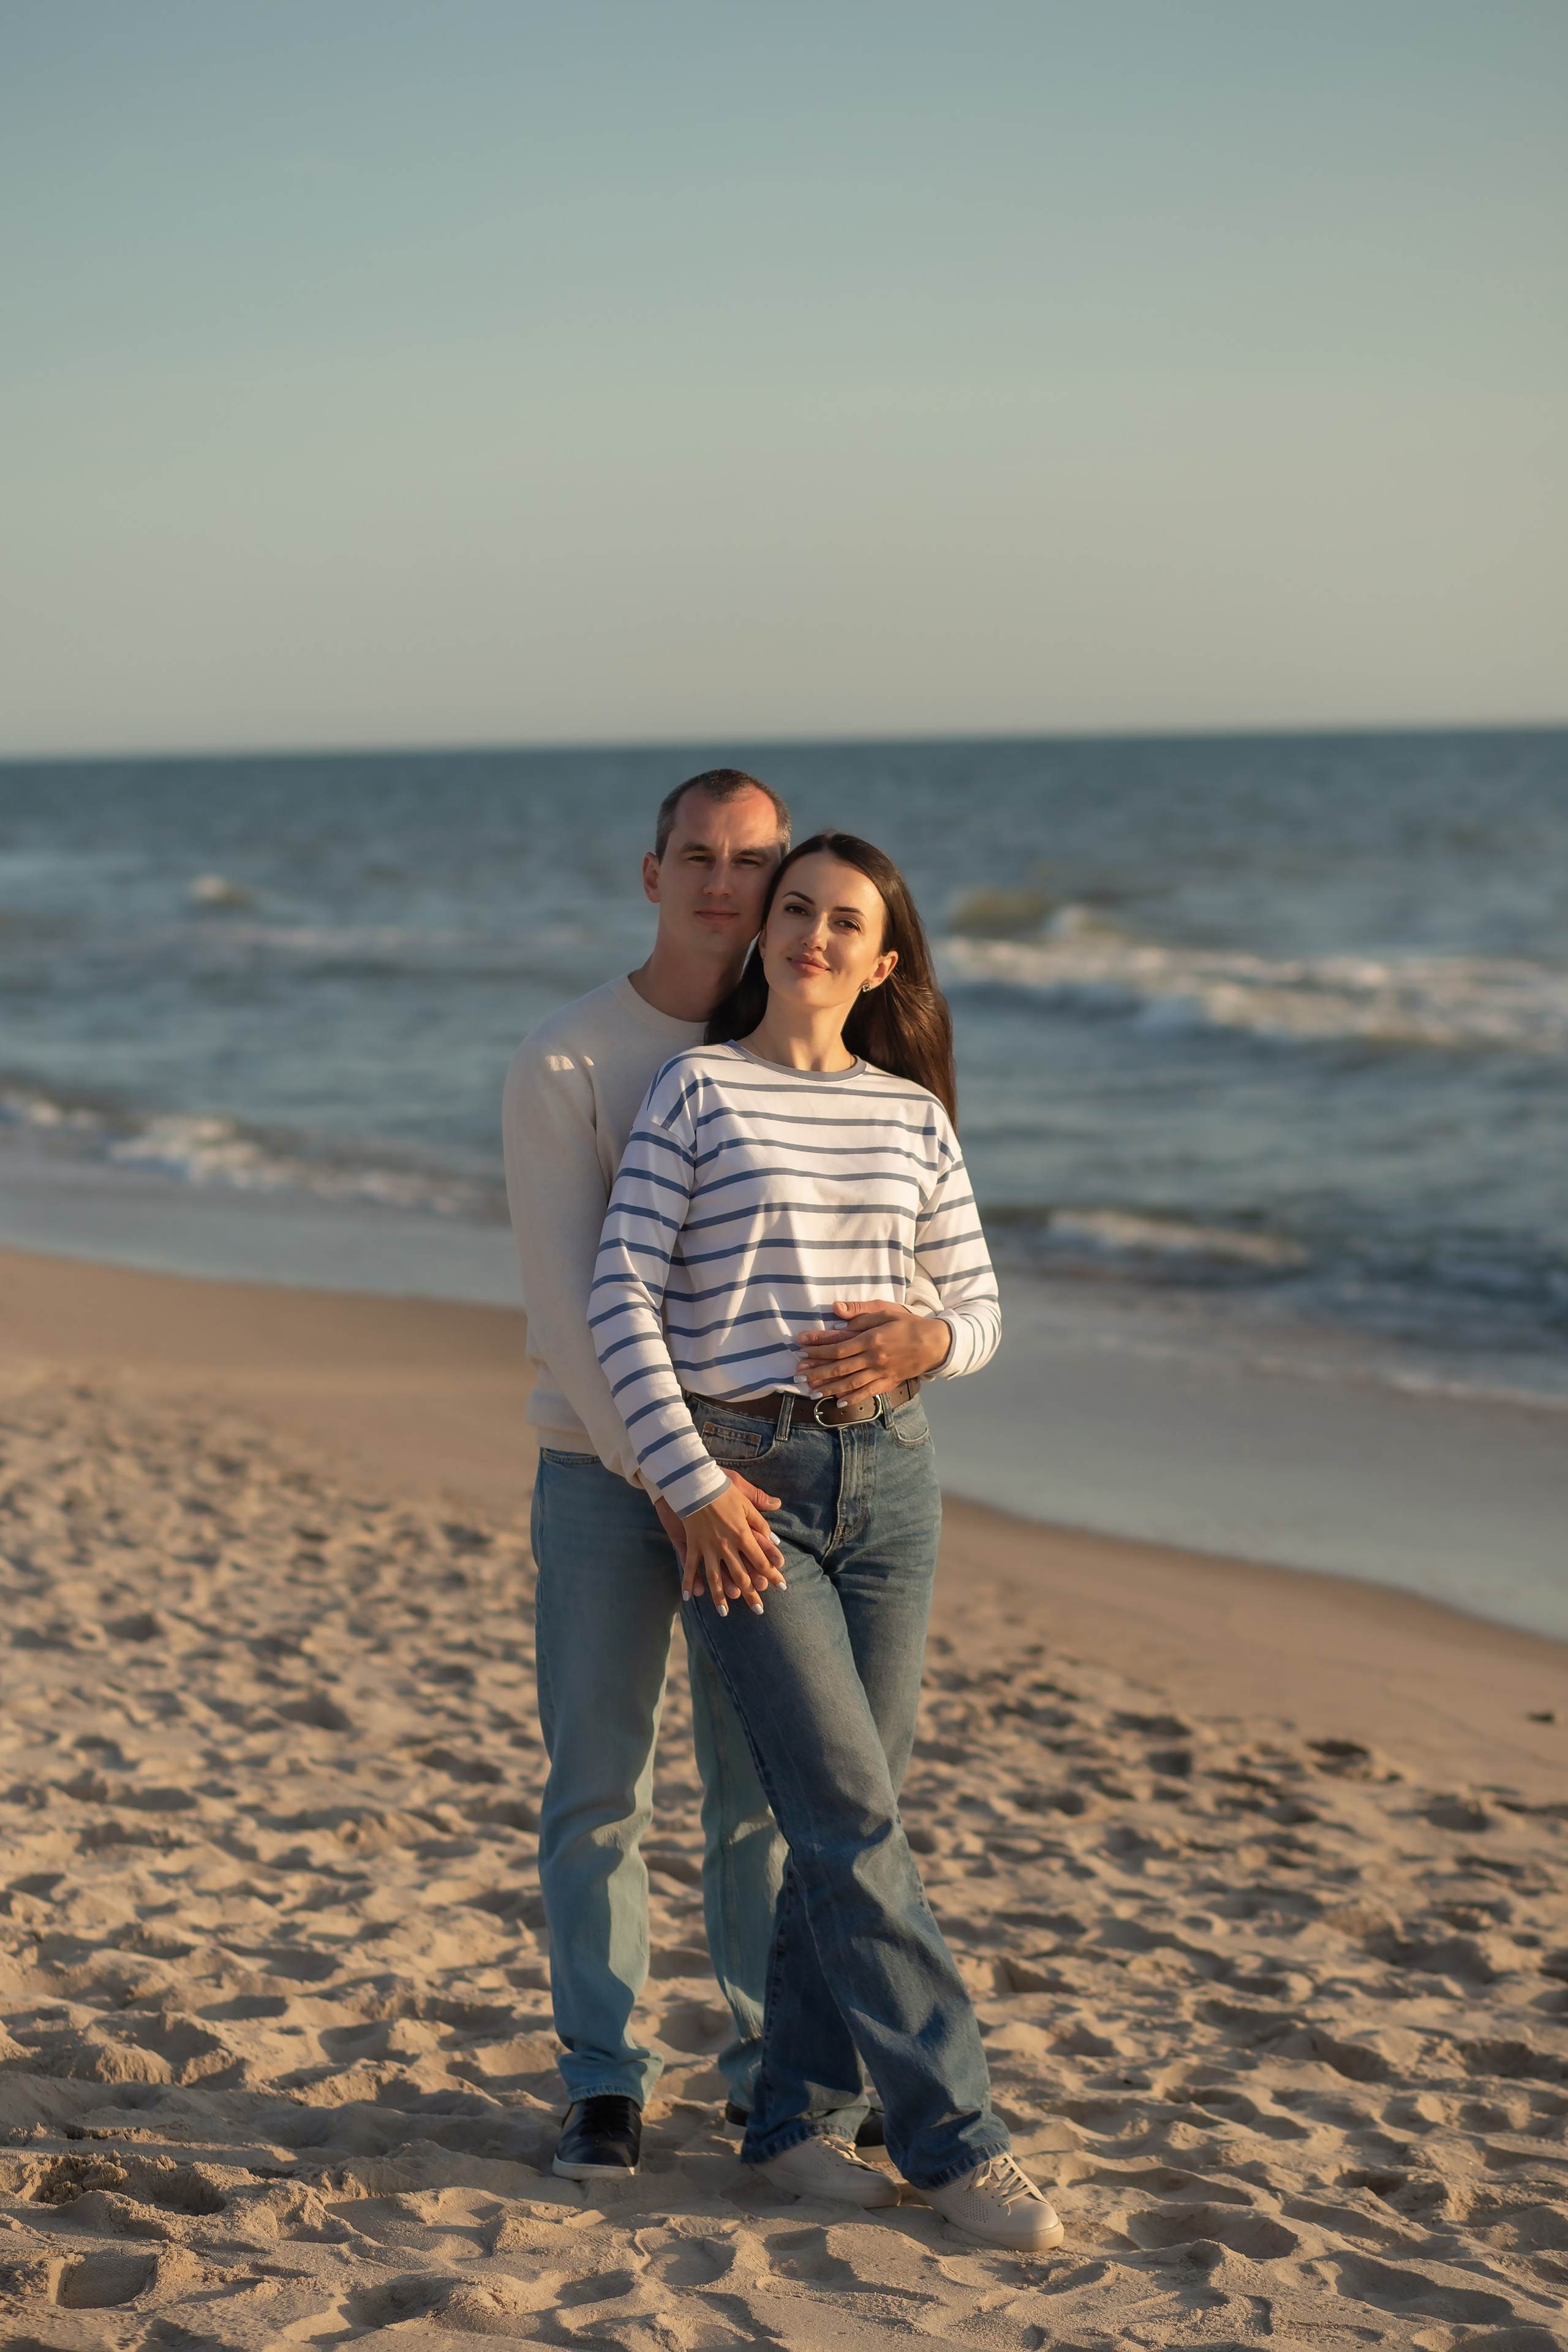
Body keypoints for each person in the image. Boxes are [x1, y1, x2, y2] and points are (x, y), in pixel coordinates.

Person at [590, 831, 1065, 2250]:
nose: (809, 932)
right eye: (792, 908)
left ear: (881, 960)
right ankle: (956, 2140)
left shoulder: (910, 1116)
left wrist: (929, 1340)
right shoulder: (697, 1089)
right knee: (851, 1816)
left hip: (892, 1484)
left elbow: (977, 1308)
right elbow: (620, 1295)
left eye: (841, 920)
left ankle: (793, 2119)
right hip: (746, 1489)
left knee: (847, 1817)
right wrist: (688, 1484)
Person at [502, 776, 952, 2183]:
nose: (723, 882)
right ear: (651, 874)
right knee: (598, 1784)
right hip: (608, 1467)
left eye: (750, 860)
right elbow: (577, 1305)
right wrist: (677, 1479)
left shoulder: (790, 1049)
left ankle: (775, 2076)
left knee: (761, 1793)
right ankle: (601, 2082)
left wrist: (916, 1345)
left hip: (756, 1480)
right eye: (695, 857)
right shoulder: (571, 1058)